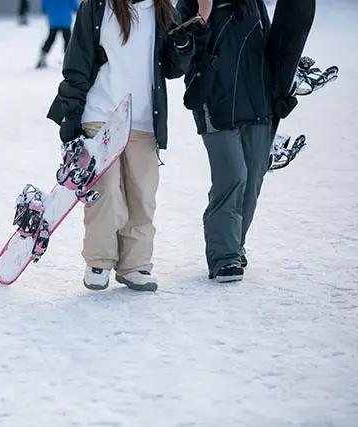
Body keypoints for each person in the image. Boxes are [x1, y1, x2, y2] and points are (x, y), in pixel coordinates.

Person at [47, 0, 194, 291]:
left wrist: (183, 44)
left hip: (144, 117)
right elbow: (77, 62)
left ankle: (135, 265)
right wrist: (71, 116)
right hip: (101, 114)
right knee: (105, 191)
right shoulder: (99, 7)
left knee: (142, 194)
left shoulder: (164, 9)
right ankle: (99, 261)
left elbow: (173, 68)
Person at [176, 0, 273, 282]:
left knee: (254, 175)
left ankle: (235, 244)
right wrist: (202, 19)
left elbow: (267, 43)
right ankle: (224, 257)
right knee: (232, 176)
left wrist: (279, 90)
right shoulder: (190, 4)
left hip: (258, 100)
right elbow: (178, 59)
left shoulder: (251, 3)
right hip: (215, 103)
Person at [35, 0, 78, 69]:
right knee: (68, 40)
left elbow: (44, 8)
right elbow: (75, 7)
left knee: (51, 38)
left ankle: (42, 57)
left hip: (53, 19)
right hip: (65, 19)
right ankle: (69, 60)